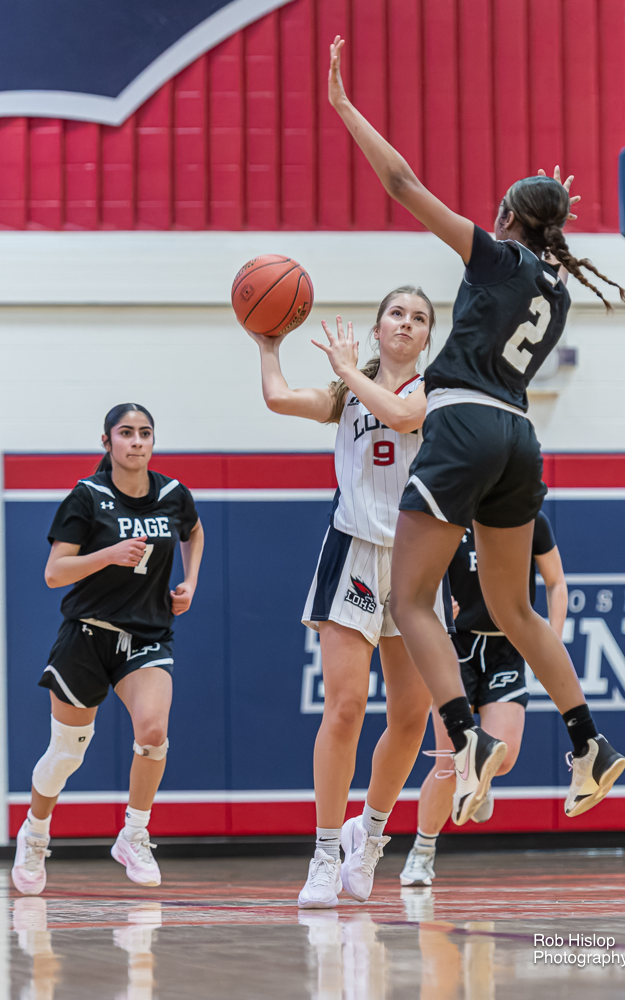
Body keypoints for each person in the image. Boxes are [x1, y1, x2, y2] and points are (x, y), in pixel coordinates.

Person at [326, 36, 625, 827]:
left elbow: (402, 182)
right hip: (520, 441)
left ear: (506, 219)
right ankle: (588, 741)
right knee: (513, 608)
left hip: (462, 426)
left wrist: (346, 109)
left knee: (410, 600)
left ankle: (466, 738)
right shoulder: (555, 289)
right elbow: (538, 229)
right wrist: (545, 202)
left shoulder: (495, 257)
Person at [247, 287, 453, 909]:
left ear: (427, 336)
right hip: (355, 550)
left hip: (416, 558)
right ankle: (325, 852)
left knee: (411, 718)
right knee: (345, 708)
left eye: (419, 318)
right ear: (378, 326)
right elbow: (279, 398)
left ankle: (372, 837)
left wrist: (346, 372)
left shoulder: (436, 388)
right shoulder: (346, 394)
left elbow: (404, 418)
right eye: (396, 313)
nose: (406, 323)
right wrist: (267, 343)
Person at [12, 404, 204, 895]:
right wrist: (109, 555)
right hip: (87, 636)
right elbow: (54, 573)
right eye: (126, 433)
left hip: (146, 636)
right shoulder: (87, 496)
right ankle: (35, 832)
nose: (137, 441)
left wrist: (190, 581)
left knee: (154, 732)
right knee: (66, 754)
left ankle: (133, 834)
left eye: (145, 433)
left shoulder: (172, 494)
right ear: (107, 442)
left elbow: (194, 531)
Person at [400, 511, 567, 886]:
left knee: (502, 758)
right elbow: (417, 581)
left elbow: (556, 582)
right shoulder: (448, 517)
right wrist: (436, 604)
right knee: (449, 762)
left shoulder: (529, 519)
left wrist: (550, 643)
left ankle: (481, 778)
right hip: (453, 646)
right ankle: (422, 852)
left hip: (505, 649)